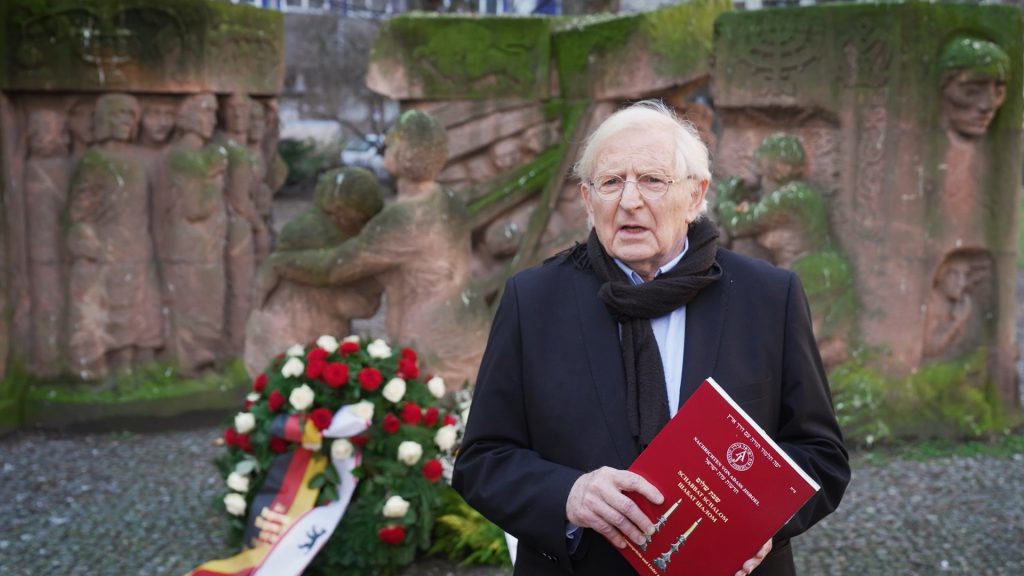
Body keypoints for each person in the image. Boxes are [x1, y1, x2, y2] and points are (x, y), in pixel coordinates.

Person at [453, 101, 850, 576]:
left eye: (653, 180)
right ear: (587, 199)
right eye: (611, 181)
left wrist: (761, 523)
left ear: (696, 194)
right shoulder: (533, 300)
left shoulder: (767, 297)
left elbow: (820, 455)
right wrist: (567, 495)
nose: (629, 201)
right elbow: (482, 460)